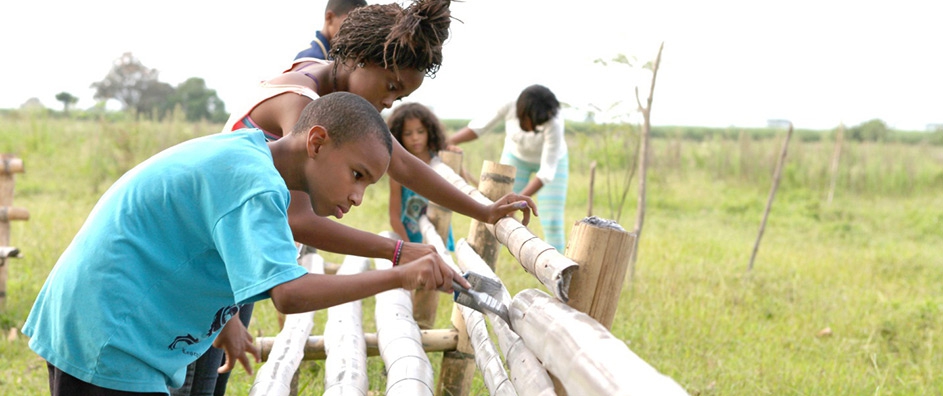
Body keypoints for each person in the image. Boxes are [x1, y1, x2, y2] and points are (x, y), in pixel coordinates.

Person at [182, 1, 537, 394]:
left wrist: (484, 210)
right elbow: (298, 221)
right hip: (202, 258)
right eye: (390, 87)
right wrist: (398, 253)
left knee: (205, 381)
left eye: (400, 96)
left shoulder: (333, 100)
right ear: (358, 58)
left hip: (228, 259)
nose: (390, 102)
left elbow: (403, 165)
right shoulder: (304, 105)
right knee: (185, 379)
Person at [23, 92, 470, 395]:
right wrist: (397, 274)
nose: (357, 196)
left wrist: (226, 322)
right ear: (316, 141)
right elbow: (290, 294)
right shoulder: (256, 186)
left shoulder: (252, 154)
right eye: (357, 175)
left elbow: (189, 239)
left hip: (106, 322)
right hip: (110, 335)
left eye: (368, 185)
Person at [447, 84, 568, 252]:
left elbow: (546, 172)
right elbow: (478, 127)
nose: (534, 130)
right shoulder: (509, 104)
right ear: (522, 112)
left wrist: (519, 202)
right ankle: (487, 256)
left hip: (553, 162)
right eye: (532, 123)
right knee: (499, 211)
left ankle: (558, 273)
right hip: (516, 157)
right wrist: (448, 142)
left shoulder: (553, 120)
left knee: (553, 221)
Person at [387, 102, 455, 250]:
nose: (415, 138)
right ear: (398, 135)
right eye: (408, 133)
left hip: (440, 234)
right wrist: (409, 248)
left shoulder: (440, 162)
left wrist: (457, 159)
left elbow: (460, 189)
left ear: (429, 132)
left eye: (420, 131)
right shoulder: (398, 169)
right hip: (410, 238)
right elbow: (394, 217)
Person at [292, 0, 366, 61]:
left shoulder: (335, 56)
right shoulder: (310, 59)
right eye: (350, 24)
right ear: (329, 18)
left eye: (360, 26)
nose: (355, 32)